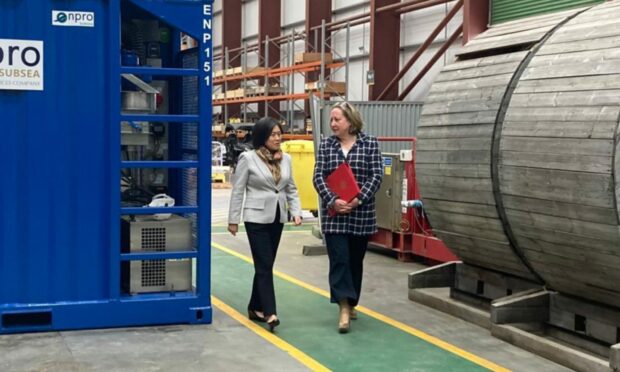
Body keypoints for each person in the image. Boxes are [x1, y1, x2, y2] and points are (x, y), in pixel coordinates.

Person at [312, 101, 383, 334]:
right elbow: (318, 177)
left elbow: (376, 176)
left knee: (355, 261)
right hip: (335, 215)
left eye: (337, 119)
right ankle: (343, 306)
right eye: (331, 120)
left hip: (360, 214)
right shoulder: (326, 146)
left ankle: (351, 302)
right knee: (339, 259)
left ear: (351, 122)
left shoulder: (370, 143)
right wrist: (333, 200)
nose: (333, 124)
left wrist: (358, 199)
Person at [228, 117, 303, 332]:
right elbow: (238, 190)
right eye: (273, 135)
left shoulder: (286, 159)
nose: (278, 138)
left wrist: (296, 212)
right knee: (263, 264)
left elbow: (291, 188)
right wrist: (233, 220)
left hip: (277, 217)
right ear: (262, 137)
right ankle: (270, 312)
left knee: (266, 264)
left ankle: (254, 306)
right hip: (256, 218)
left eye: (279, 134)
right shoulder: (248, 158)